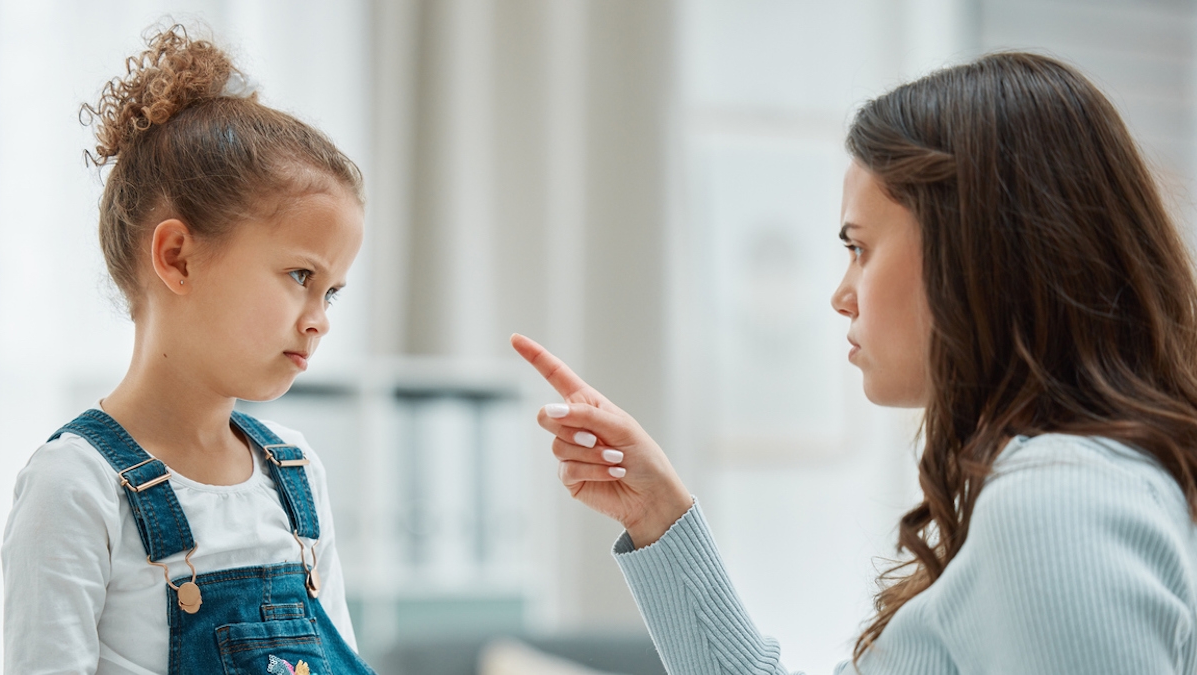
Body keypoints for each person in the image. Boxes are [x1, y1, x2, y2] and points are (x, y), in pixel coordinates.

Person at [512, 52, 1197, 674]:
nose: (842, 295)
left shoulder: (1055, 502)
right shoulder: (1062, 486)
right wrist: (659, 513)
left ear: (973, 253)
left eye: (860, 247)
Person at [3, 25, 375, 675]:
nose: (319, 321)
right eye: (300, 276)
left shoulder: (296, 476)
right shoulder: (75, 487)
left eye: (332, 292)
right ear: (178, 257)